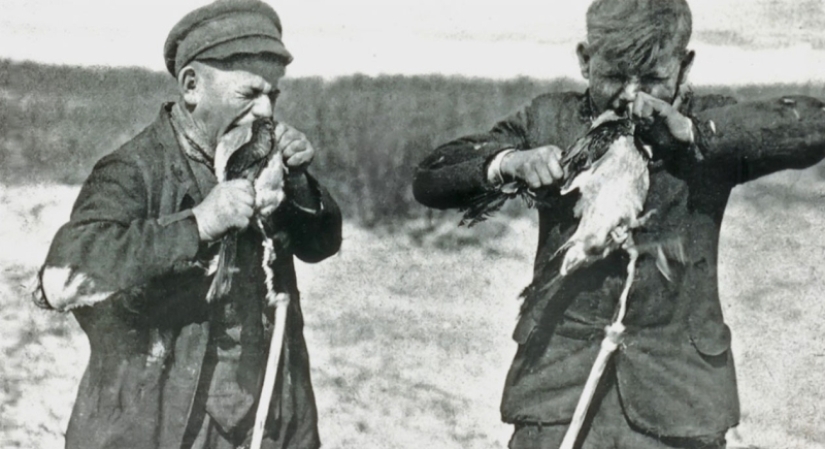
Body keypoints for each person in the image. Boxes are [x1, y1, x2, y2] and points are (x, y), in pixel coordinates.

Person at [413, 1, 825, 448]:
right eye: (613, 76)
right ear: (585, 60)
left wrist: (692, 132)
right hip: (556, 393)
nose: (631, 96)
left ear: (684, 66)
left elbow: (814, 123)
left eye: (652, 79)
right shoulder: (548, 118)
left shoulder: (709, 127)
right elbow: (433, 176)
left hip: (676, 401)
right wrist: (509, 162)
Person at [35, 1, 342, 448]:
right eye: (248, 94)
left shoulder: (258, 156)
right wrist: (198, 223)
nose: (264, 112)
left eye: (272, 96)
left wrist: (298, 182)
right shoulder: (133, 168)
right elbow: (65, 277)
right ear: (192, 86)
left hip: (262, 419)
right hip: (156, 422)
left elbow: (320, 245)